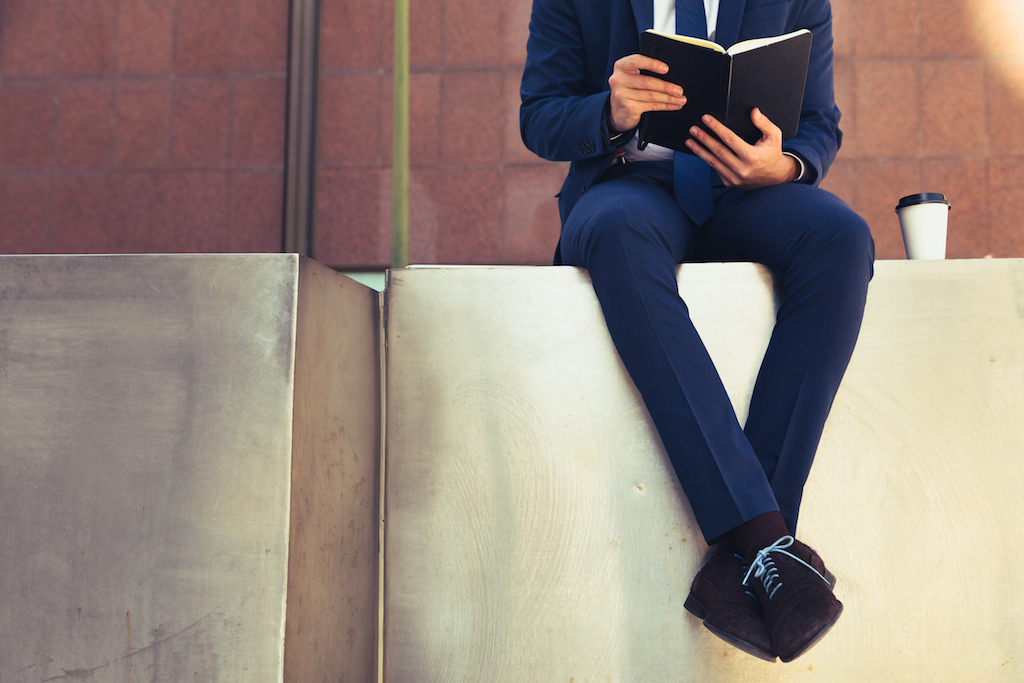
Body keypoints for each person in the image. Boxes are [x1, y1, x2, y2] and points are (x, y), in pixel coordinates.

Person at [520, 0, 875, 664]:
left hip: (750, 192)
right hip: (630, 188)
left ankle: (741, 555)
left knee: (842, 236)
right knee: (617, 231)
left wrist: (787, 165)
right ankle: (769, 541)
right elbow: (538, 116)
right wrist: (609, 111)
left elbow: (821, 123)